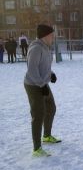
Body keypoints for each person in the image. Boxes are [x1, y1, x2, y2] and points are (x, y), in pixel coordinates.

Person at [24, 24, 61, 157]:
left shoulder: (45, 47)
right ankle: (37, 148)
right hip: (33, 85)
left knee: (51, 108)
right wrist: (42, 85)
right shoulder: (35, 48)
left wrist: (50, 74)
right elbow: (32, 70)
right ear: (45, 36)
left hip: (42, 83)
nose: (53, 37)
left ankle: (46, 136)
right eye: (52, 35)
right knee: (38, 114)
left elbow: (44, 66)